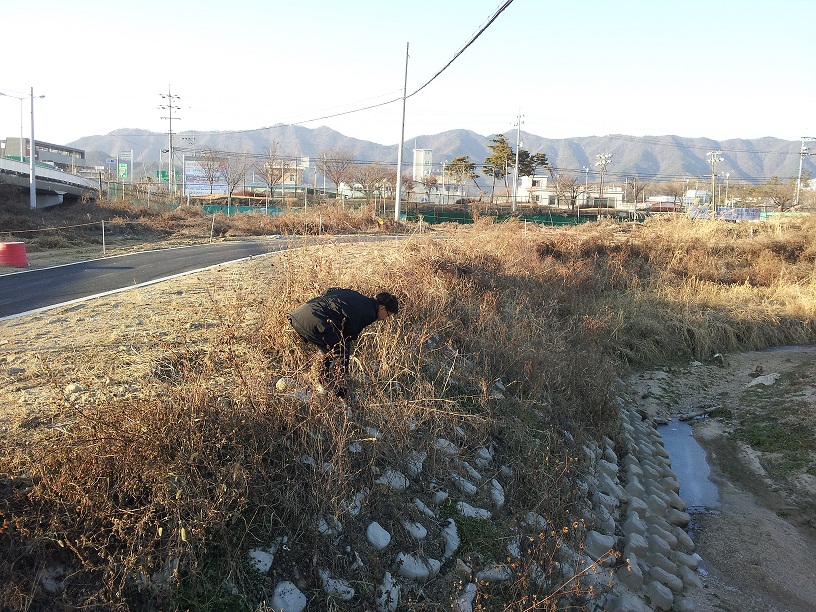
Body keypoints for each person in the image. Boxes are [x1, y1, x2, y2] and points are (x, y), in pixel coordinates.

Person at [288, 288, 398, 398]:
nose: (385, 319)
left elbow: (329, 290)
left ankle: (319, 379)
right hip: (314, 322)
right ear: (382, 308)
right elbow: (349, 334)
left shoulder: (359, 296)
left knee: (330, 349)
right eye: (388, 315)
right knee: (341, 351)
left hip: (298, 315)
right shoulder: (370, 312)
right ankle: (339, 391)